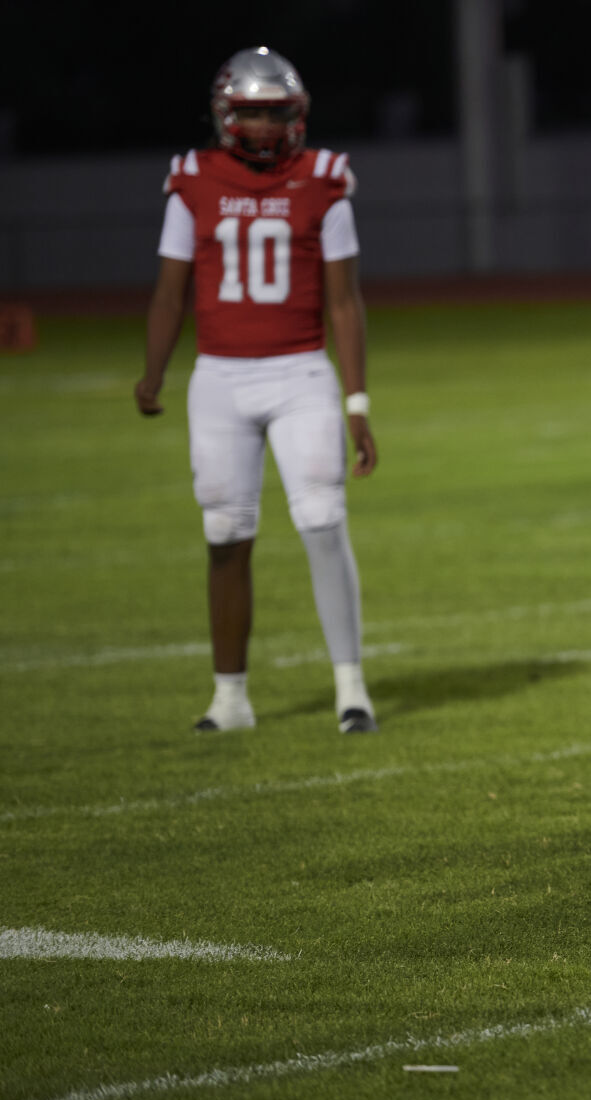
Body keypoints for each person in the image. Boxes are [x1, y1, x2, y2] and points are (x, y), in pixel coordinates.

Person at [133, 47, 378, 734]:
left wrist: (356, 403)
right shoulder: (191, 180)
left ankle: (351, 688)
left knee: (323, 520)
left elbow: (345, 303)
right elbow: (169, 292)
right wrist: (153, 370)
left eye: (277, 114)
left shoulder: (324, 180)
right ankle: (230, 697)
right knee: (224, 532)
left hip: (299, 371)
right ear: (225, 115)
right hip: (219, 375)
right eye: (254, 114)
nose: (267, 128)